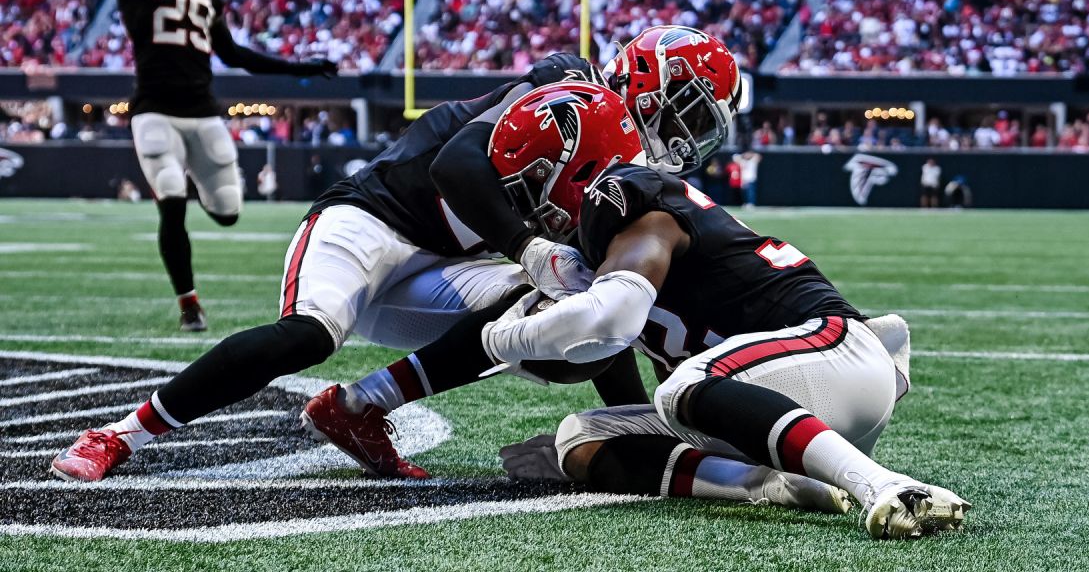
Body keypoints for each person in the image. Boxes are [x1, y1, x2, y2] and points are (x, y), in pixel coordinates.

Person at [50, 27, 744, 482]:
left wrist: (637, 422)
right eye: (687, 111)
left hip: (445, 267)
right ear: (651, 81)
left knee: (577, 309)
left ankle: (359, 405)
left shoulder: (623, 177)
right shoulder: (568, 89)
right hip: (372, 219)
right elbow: (455, 165)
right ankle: (118, 434)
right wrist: (529, 247)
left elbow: (607, 322)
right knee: (307, 335)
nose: (687, 138)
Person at [309, 86, 969, 540]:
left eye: (530, 186)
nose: (529, 209)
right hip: (771, 400)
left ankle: (881, 485)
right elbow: (599, 345)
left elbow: (616, 317)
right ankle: (789, 488)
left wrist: (508, 338)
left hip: (829, 354)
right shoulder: (600, 230)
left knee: (688, 387)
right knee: (577, 440)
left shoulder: (621, 192)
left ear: (573, 166)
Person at [90, 0, 337, 331]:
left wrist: (297, 68)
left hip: (203, 110)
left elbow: (234, 55)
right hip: (154, 109)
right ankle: (189, 304)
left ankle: (190, 185)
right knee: (170, 199)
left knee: (226, 212)